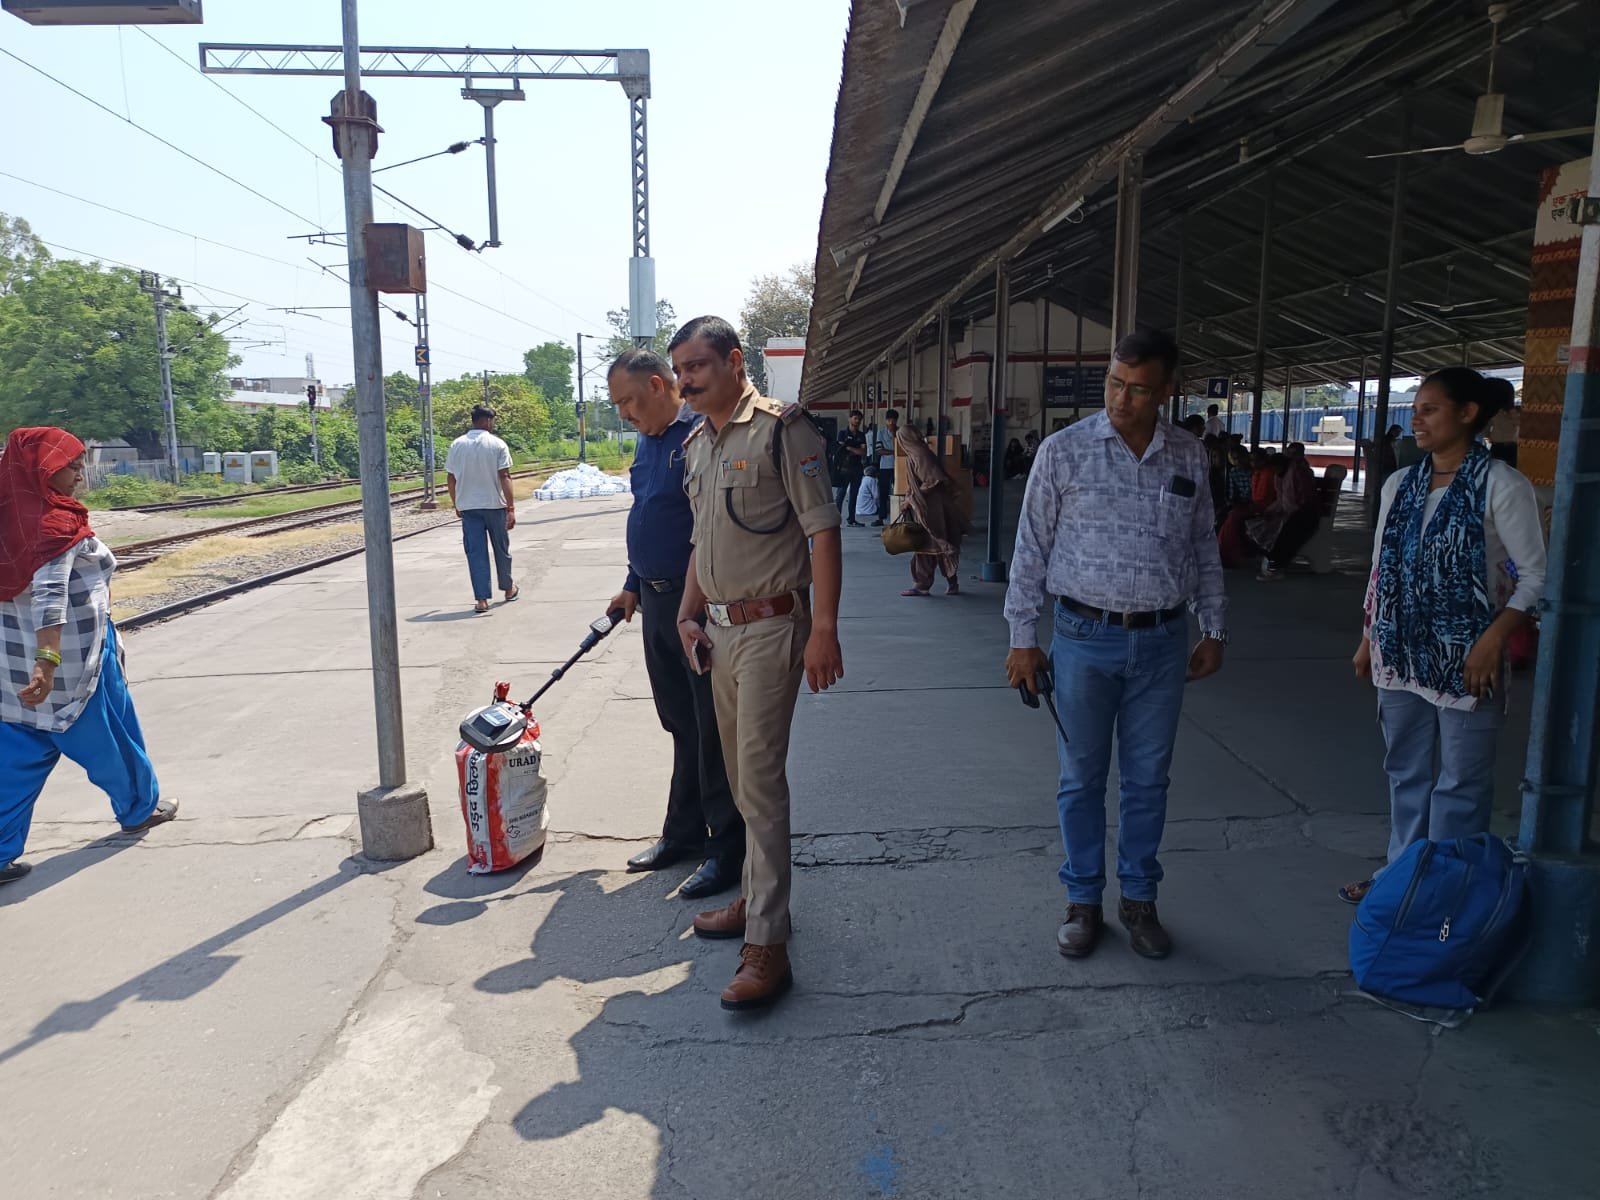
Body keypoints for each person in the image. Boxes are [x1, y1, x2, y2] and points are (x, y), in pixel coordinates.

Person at [1004, 329, 1227, 961]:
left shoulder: (1188, 455)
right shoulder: (1064, 451)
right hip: (1082, 639)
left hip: (1162, 642)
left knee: (1148, 780)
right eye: (1114, 383)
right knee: (1080, 779)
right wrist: (1023, 638)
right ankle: (1082, 900)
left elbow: (1204, 546)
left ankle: (1139, 899)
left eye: (1139, 390)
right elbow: (1030, 548)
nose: (1122, 399)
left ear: (1167, 391)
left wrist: (1214, 627)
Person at [670, 316, 845, 1011]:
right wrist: (687, 613)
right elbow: (701, 541)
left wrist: (824, 629)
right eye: (679, 370)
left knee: (761, 782)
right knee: (742, 781)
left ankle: (768, 944)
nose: (685, 381)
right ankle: (756, 897)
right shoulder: (697, 444)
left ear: (734, 362)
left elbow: (823, 531)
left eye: (696, 366)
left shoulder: (781, 429)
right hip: (718, 632)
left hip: (773, 627)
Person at [1342, 369, 1545, 904]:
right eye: (1416, 410)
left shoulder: (1501, 485)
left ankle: (1448, 887)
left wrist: (1492, 640)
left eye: (1429, 409)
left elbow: (1535, 577)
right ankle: (1402, 876)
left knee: (1461, 783)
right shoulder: (1399, 484)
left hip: (1469, 661)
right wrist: (1368, 637)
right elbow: (1382, 570)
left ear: (1467, 413)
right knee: (1405, 772)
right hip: (1398, 652)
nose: (1417, 420)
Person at [0, 428, 178, 884]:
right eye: (71, 467)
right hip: (72, 663)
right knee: (110, 740)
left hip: (10, 667)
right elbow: (50, 594)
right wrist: (47, 662)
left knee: (14, 760)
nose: (80, 475)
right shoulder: (53, 524)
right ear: (42, 471)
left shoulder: (7, 518)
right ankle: (139, 809)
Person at [606, 349, 745, 900]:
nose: (624, 414)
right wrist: (632, 583)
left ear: (658, 387)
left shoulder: (700, 437)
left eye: (628, 401)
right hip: (655, 603)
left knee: (712, 729)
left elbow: (707, 531)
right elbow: (649, 514)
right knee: (681, 725)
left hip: (698, 607)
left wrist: (692, 607)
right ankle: (683, 835)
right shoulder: (648, 441)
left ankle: (726, 850)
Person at [445, 404, 518, 615]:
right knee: (501, 550)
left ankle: (482, 600)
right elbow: (505, 476)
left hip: (469, 509)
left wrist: (456, 503)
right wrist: (511, 508)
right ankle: (508, 589)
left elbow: (451, 478)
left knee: (476, 554)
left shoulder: (457, 445)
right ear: (487, 421)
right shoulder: (497, 444)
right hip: (495, 506)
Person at [897, 421, 971, 597]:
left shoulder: (919, 455)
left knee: (932, 543)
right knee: (931, 545)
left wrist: (911, 499)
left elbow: (932, 480)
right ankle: (942, 583)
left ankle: (924, 585)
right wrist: (910, 498)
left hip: (933, 508)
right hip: (929, 506)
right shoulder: (918, 453)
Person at [1250, 442, 1320, 580]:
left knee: (1287, 531)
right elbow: (1282, 499)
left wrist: (1286, 513)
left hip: (1305, 513)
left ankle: (1275, 564)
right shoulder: (1280, 476)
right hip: (1292, 511)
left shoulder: (1300, 472)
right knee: (1260, 524)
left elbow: (1305, 499)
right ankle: (1271, 561)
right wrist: (1271, 511)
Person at [832, 409, 868, 527]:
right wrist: (854, 450)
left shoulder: (861, 435)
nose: (857, 421)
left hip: (856, 468)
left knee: (854, 495)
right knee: (840, 495)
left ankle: (851, 519)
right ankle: (836, 520)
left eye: (859, 419)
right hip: (844, 468)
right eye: (855, 418)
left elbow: (863, 452)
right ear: (850, 419)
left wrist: (850, 448)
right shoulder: (842, 433)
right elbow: (841, 450)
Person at [870, 410, 900, 526]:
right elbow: (879, 451)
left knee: (899, 492)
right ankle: (881, 517)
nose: (891, 422)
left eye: (893, 420)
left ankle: (899, 517)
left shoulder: (900, 432)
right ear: (886, 421)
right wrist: (894, 452)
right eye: (889, 420)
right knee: (883, 492)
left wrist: (894, 436)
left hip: (899, 466)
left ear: (897, 420)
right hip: (885, 466)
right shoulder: (881, 433)